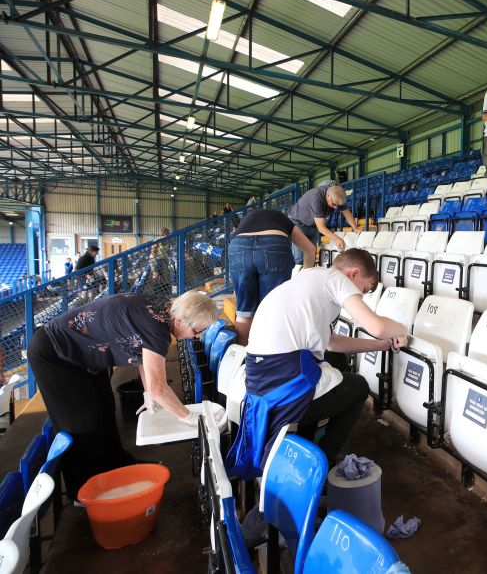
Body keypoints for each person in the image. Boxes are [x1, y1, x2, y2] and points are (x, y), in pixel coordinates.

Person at [226, 249, 408, 480]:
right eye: (364, 289)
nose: (361, 294)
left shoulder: (306, 277)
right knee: (359, 386)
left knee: (330, 369)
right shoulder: (336, 279)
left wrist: (380, 346)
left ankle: (305, 452)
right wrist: (402, 330)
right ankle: (323, 461)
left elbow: (332, 343)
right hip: (283, 382)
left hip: (256, 378)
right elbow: (378, 327)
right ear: (354, 273)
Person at [27, 291, 222, 498]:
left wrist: (148, 392)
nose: (197, 336)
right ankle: (82, 490)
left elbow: (142, 356)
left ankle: (117, 467)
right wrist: (188, 416)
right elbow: (159, 387)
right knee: (83, 423)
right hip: (55, 352)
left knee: (105, 408)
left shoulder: (162, 308)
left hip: (83, 353)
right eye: (196, 330)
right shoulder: (158, 328)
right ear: (181, 320)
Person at [228, 208, 317, 345]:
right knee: (272, 308)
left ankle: (242, 359)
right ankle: (269, 354)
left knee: (244, 312)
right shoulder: (283, 218)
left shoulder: (246, 220)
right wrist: (305, 278)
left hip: (239, 245)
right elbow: (310, 249)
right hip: (273, 244)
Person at [286, 181, 360, 266]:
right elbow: (321, 227)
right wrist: (337, 239)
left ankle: (308, 276)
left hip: (312, 226)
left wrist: (355, 228)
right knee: (299, 258)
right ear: (328, 196)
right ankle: (296, 277)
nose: (336, 207)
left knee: (311, 254)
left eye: (337, 205)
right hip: (297, 223)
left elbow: (346, 212)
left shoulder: (337, 195)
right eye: (333, 204)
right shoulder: (316, 197)